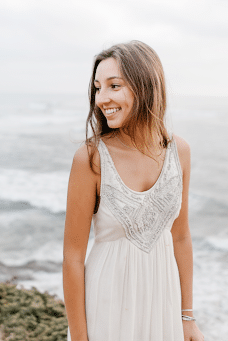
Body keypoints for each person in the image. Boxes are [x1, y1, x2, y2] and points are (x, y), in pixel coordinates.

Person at [63, 40, 204, 341]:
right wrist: (78, 338)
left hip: (163, 304)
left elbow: (180, 236)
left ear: (146, 86)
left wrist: (187, 316)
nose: (102, 98)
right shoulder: (91, 158)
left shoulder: (181, 152)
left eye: (114, 86)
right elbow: (73, 257)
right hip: (106, 306)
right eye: (98, 88)